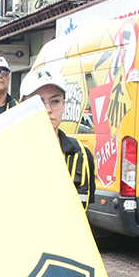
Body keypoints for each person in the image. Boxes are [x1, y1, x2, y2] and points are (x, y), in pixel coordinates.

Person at [23, 69, 96, 211]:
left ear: (63, 105)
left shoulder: (81, 155)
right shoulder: (9, 153)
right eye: (38, 102)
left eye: (55, 101)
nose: (48, 109)